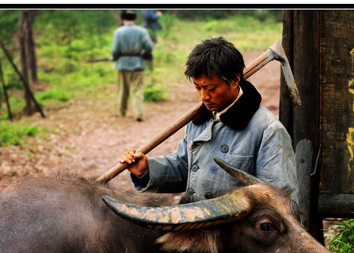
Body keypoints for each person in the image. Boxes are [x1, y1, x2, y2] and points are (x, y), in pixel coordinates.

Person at [119, 37, 299, 204]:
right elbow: (185, 168)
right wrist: (146, 170)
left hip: (236, 232)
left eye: (210, 88)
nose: (204, 96)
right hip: (194, 222)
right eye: (198, 87)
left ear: (235, 80)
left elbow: (279, 199)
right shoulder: (199, 120)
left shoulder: (267, 130)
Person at [112, 10, 154, 121]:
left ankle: (121, 112)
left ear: (122, 18)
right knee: (137, 90)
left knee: (122, 90)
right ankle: (138, 114)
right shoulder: (142, 31)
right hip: (138, 63)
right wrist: (146, 54)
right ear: (135, 19)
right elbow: (149, 46)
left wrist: (115, 58)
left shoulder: (118, 32)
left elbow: (115, 50)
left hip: (122, 64)